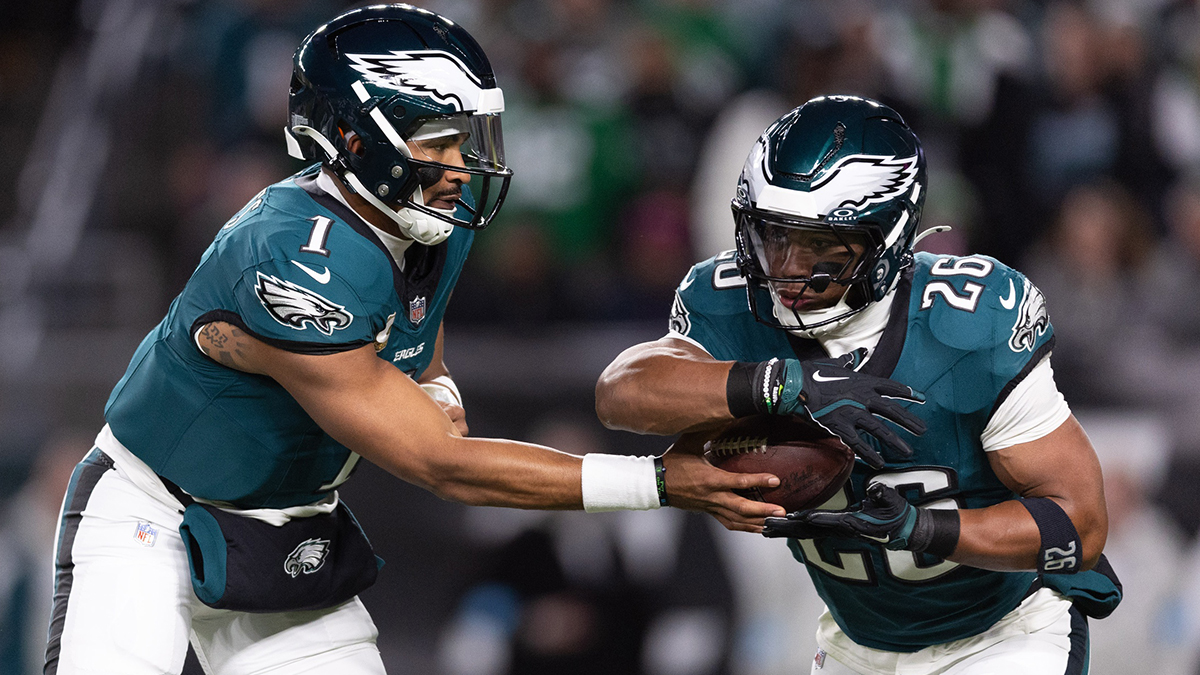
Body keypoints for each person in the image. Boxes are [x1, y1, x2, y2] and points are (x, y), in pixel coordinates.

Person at [43, 6, 783, 675]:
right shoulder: (291, 258)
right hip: (154, 517)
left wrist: (436, 390)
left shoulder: (425, 221)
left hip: (290, 533)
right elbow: (442, 465)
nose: (462, 168)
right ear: (358, 141)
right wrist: (659, 482)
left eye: (466, 142)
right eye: (441, 144)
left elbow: (419, 346)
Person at [595, 95, 1121, 674]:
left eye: (821, 245)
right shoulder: (728, 303)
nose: (789, 268)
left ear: (887, 240)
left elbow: (1079, 522)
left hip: (1003, 632)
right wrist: (784, 383)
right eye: (774, 235)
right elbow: (621, 393)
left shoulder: (967, 326)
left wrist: (920, 526)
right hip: (857, 643)